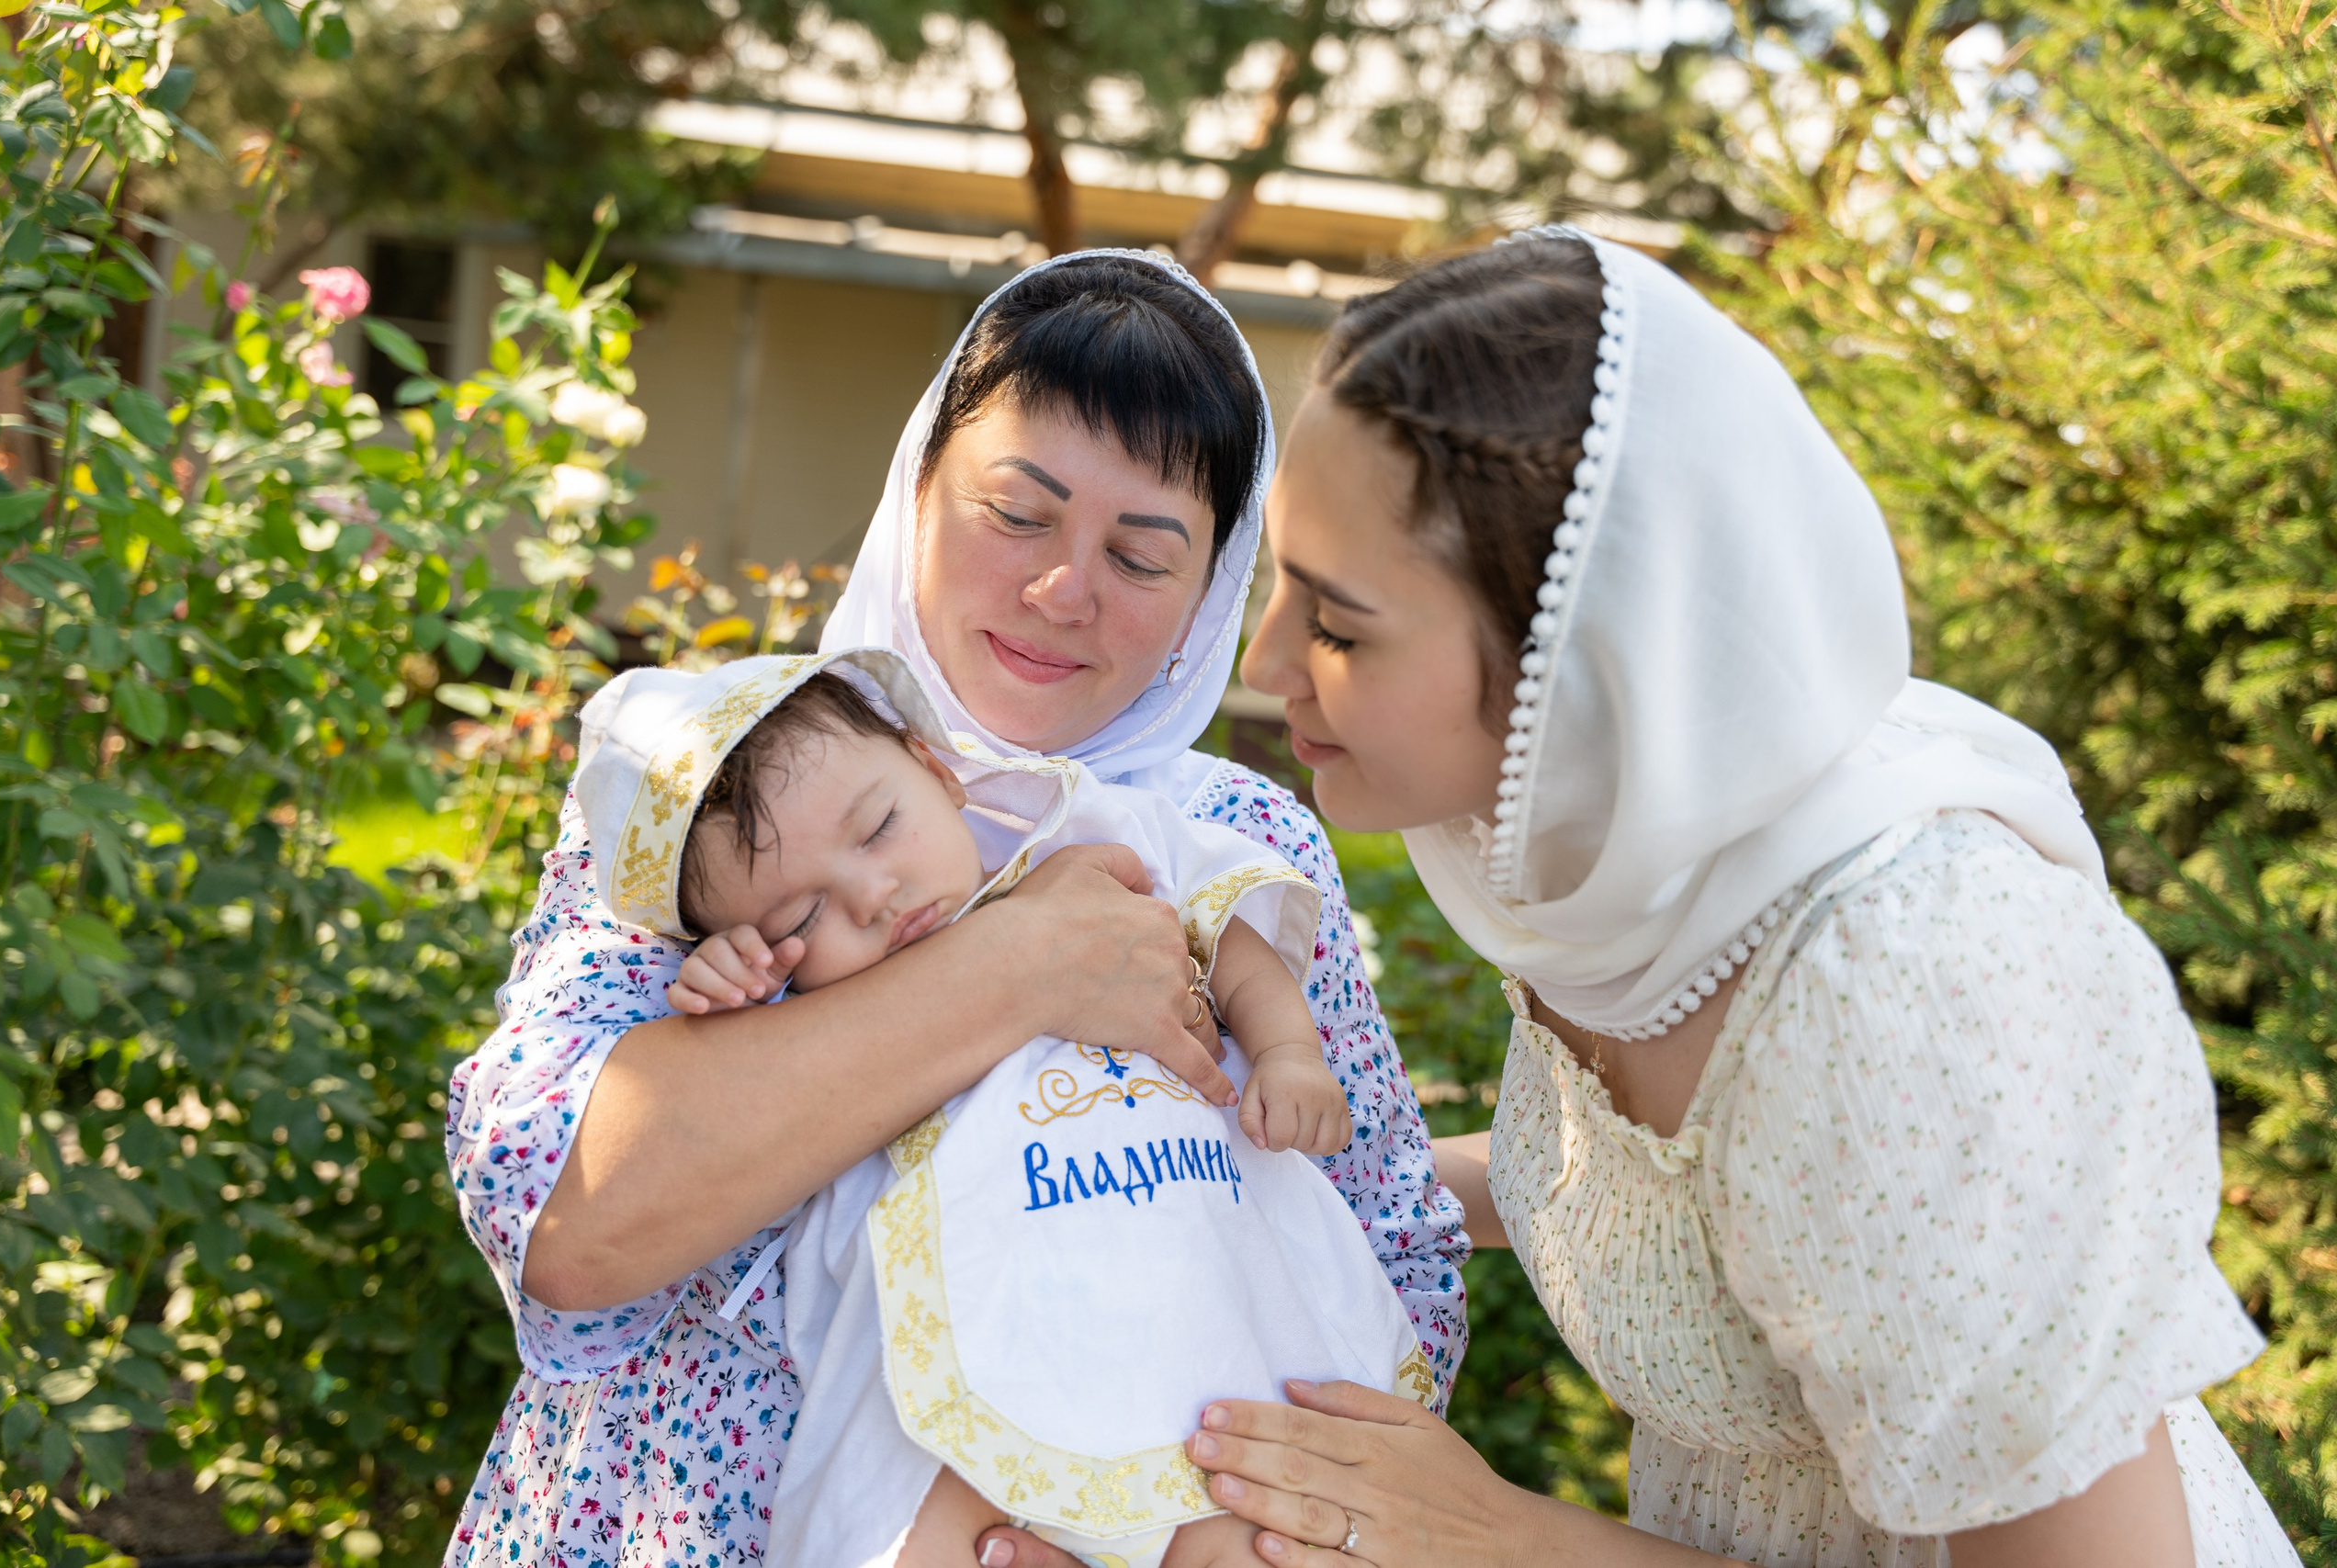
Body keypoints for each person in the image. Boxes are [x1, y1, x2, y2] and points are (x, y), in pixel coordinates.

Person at [976, 230, 2301, 1568]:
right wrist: (1200, 1182)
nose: (1263, 663)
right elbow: (1701, 1205)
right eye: (1277, 585)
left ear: (1579, 662)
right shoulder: (1604, 863)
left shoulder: (1915, 989)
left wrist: (1498, 1536)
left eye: (1338, 625)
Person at [440, 252, 1467, 1568]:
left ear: (1210, 593)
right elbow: (567, 1210)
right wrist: (1021, 963)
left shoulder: (1238, 838)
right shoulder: (722, 783)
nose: (1064, 591)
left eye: (1141, 554)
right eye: (1016, 513)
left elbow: (1390, 1246)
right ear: (918, 488)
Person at [576, 649, 1425, 1566]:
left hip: (1184, 1283)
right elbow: (742, 1106)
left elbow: (1230, 935)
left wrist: (1288, 1051)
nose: (873, 897)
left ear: (936, 770)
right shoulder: (817, 1006)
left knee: (1242, 1506)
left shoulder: (1080, 835)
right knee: (917, 1525)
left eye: (879, 829)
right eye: (799, 919)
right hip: (963, 1324)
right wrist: (735, 994)